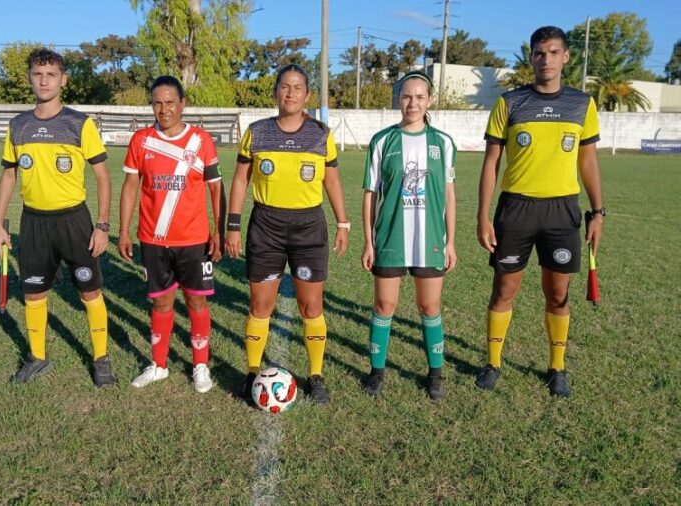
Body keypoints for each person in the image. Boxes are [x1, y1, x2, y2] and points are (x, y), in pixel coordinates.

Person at [475, 26, 604, 398]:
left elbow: (589, 163)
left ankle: (557, 368)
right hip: (516, 208)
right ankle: (493, 362)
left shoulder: (582, 104)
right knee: (504, 290)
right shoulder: (510, 102)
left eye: (552, 52)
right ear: (530, 58)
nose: (545, 59)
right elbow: (491, 163)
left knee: (558, 294)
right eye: (538, 53)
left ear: (565, 57)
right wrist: (483, 215)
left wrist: (598, 212)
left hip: (562, 211)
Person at [225, 64, 349, 405]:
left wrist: (343, 222)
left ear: (307, 95)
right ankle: (252, 371)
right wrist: (233, 225)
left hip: (309, 226)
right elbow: (240, 180)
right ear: (276, 92)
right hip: (266, 224)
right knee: (260, 304)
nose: (291, 93)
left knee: (311, 306)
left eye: (297, 88)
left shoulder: (321, 134)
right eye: (285, 86)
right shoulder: (257, 132)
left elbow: (332, 181)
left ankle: (316, 374)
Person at [0, 48, 115, 387]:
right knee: (33, 294)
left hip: (73, 221)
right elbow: (8, 175)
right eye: (37, 74)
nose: (44, 80)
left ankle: (101, 358)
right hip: (33, 223)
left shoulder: (79, 123)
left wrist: (103, 225)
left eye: (51, 74)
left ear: (63, 80)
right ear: (30, 78)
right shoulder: (17, 126)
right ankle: (37, 357)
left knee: (89, 291)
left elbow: (103, 177)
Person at [118, 75, 224, 393]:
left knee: (196, 304)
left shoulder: (201, 141)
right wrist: (123, 231)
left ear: (182, 103)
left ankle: (200, 365)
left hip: (194, 240)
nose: (163, 109)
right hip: (154, 239)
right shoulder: (141, 141)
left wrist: (219, 231)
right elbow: (130, 187)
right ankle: (159, 365)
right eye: (157, 102)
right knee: (162, 304)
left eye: (170, 102)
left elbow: (216, 187)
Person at [360, 70, 457, 401]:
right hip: (390, 237)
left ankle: (435, 374)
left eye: (419, 96)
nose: (412, 102)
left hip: (430, 237)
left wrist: (451, 241)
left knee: (429, 305)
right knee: (385, 304)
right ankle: (376, 371)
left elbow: (448, 194)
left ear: (429, 100)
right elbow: (370, 193)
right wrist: (369, 241)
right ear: (398, 99)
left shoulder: (442, 143)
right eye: (406, 96)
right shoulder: (382, 141)